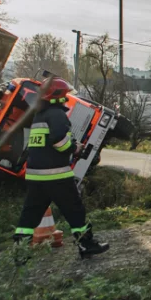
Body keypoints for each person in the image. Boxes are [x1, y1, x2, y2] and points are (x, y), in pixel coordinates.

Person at [13, 77, 109, 258]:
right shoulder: (57, 114)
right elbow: (59, 142)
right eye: (64, 94)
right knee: (75, 211)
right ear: (57, 96)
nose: (66, 97)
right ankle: (86, 245)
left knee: (29, 215)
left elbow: (46, 142)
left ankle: (20, 251)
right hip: (55, 175)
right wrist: (75, 147)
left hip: (35, 176)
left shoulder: (39, 115)